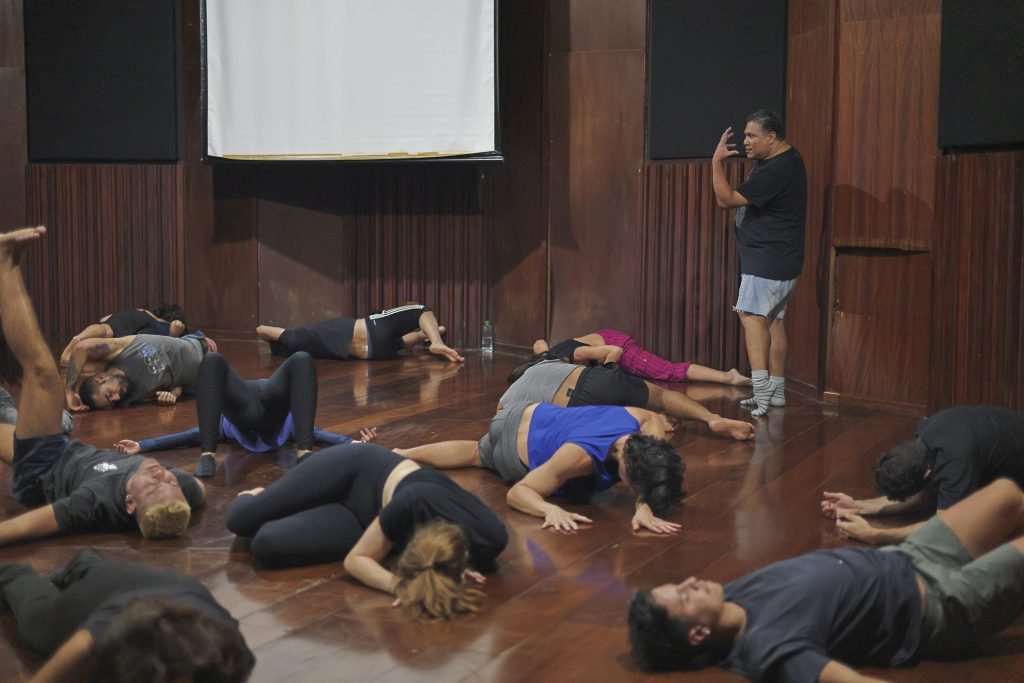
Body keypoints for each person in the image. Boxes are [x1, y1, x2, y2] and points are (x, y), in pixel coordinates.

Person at [628, 478, 1024, 680]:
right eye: (683, 597)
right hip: (940, 604)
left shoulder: (731, 596)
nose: (691, 582)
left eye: (679, 584)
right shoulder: (768, 650)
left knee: (1008, 493)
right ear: (697, 634)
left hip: (909, 557)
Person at [0, 226, 204, 546]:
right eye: (172, 482)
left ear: (129, 505)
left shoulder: (94, 503)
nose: (162, 475)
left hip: (42, 471)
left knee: (41, 372)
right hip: (68, 452)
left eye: (153, 487)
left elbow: (20, 529)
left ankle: (5, 265)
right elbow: (197, 489)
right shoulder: (181, 490)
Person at [225, 443, 507, 621]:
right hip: (356, 468)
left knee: (266, 545)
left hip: (363, 516)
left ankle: (299, 504)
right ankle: (260, 496)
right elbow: (356, 561)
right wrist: (400, 585)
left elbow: (362, 556)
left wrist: (458, 564)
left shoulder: (491, 540)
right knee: (241, 520)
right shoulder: (412, 501)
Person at [397, 402, 685, 534]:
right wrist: (549, 509)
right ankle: (404, 453)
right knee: (483, 456)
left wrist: (644, 504)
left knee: (477, 452)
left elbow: (655, 470)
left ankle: (402, 453)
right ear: (625, 464)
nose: (632, 490)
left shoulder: (645, 425)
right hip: (515, 443)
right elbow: (519, 493)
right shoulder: (580, 456)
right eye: (633, 485)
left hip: (529, 412)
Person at [0, 548, 254, 682]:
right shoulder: (125, 627)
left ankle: (85, 563)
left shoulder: (235, 659)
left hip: (155, 581)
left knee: (103, 572)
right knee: (39, 628)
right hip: (105, 590)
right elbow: (79, 647)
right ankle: (15, 575)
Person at [112, 350, 373, 478]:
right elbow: (193, 434)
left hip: (272, 401)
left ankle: (305, 455)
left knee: (302, 358)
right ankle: (208, 456)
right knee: (212, 360)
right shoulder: (230, 427)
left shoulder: (290, 426)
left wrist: (355, 444)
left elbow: (319, 434)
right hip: (243, 403)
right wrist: (142, 445)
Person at [712, 110, 807, 416]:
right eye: (745, 135)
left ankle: (762, 392)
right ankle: (776, 391)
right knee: (774, 322)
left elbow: (725, 200)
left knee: (752, 318)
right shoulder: (788, 159)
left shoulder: (774, 170)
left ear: (771, 137)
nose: (746, 142)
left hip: (767, 261)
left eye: (752, 136)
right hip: (783, 260)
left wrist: (716, 164)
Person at [821, 405, 1024, 545]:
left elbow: (945, 530)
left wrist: (876, 535)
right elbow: (923, 497)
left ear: (928, 474)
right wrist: (858, 506)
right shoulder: (927, 431)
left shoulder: (955, 463)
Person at [503, 354, 755, 441]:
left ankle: (648, 424)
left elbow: (502, 421)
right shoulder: (548, 363)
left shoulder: (511, 393)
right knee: (663, 397)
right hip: (595, 377)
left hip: (575, 406)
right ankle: (712, 419)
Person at [256, 303, 463, 363]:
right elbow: (260, 329)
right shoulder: (296, 336)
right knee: (420, 309)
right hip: (371, 329)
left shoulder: (306, 347)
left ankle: (426, 334)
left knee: (401, 343)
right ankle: (436, 340)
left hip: (372, 353)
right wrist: (275, 336)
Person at [533, 330, 750, 386]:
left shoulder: (575, 355)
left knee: (670, 371)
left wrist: (606, 375)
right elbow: (539, 341)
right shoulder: (547, 356)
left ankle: (728, 377)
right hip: (603, 338)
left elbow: (613, 352)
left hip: (616, 346)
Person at [64, 332, 216, 411]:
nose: (116, 398)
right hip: (203, 379)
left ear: (101, 378)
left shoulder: (122, 351)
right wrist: (172, 395)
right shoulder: (136, 395)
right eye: (111, 404)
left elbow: (81, 348)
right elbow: (177, 384)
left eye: (109, 394)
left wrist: (69, 391)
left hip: (200, 345)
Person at [59, 305, 187, 367]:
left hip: (135, 322)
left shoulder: (145, 313)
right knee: (112, 338)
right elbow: (178, 325)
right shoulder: (167, 325)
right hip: (144, 331)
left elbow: (104, 318)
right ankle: (78, 348)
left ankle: (78, 344)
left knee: (107, 331)